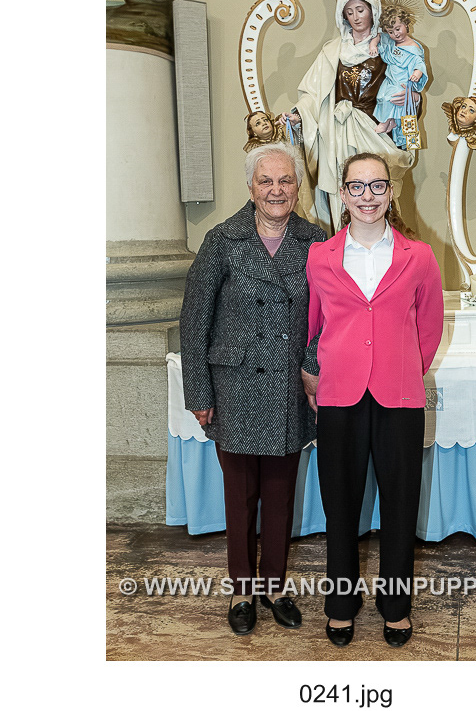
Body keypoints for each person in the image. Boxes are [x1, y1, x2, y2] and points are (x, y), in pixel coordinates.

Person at [179, 142, 326, 636]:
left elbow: (329, 315)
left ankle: (275, 588)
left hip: (288, 387)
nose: (276, 190)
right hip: (235, 389)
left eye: (285, 180)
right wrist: (199, 394)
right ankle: (242, 591)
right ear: (251, 187)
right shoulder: (222, 239)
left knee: (280, 498)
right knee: (239, 498)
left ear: (298, 187)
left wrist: (312, 368)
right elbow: (194, 321)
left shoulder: (316, 240)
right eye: (266, 181)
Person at [302, 152, 444, 648]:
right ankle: (341, 604)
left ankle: (396, 606)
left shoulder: (419, 256)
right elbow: (314, 324)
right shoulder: (319, 256)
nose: (368, 196)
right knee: (340, 506)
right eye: (357, 186)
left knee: (400, 505)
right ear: (342, 194)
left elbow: (428, 328)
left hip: (398, 396)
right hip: (339, 395)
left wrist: (400, 368)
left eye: (377, 185)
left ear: (391, 191)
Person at [279, 0, 419, 231]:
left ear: (373, 10)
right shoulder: (332, 51)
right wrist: (300, 114)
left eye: (361, 10)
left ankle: (384, 245)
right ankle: (344, 241)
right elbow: (314, 92)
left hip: (375, 130)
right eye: (349, 11)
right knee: (342, 190)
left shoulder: (389, 47)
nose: (356, 17)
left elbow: (408, 79)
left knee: (377, 188)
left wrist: (412, 97)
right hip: (338, 132)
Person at [369, 5, 429, 149]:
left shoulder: (413, 47)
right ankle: (391, 121)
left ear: (406, 24)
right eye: (391, 32)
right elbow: (379, 36)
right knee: (382, 97)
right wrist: (373, 44)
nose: (395, 34)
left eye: (398, 29)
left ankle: (386, 121)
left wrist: (417, 72)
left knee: (392, 97)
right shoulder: (390, 43)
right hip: (390, 80)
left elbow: (418, 62)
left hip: (401, 83)